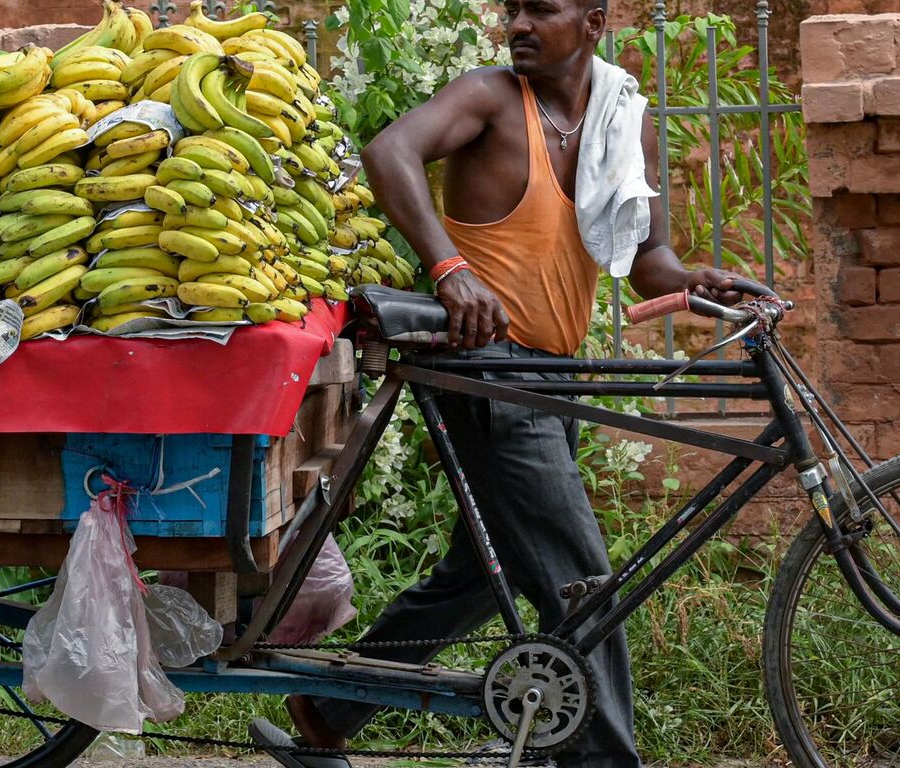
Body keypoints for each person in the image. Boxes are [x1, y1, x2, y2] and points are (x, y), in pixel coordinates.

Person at [252, 0, 752, 765]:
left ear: (592, 22)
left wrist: (694, 279)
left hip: (551, 375)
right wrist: (448, 267)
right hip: (487, 368)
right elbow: (390, 150)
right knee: (584, 585)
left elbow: (652, 258)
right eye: (511, 11)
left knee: (486, 573)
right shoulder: (487, 98)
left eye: (539, 10)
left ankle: (326, 712)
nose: (518, 24)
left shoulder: (624, 116)